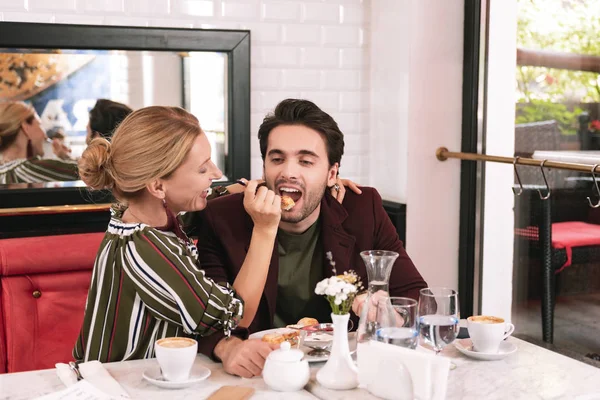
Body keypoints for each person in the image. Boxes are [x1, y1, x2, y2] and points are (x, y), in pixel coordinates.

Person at [193, 98, 427, 378]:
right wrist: (227, 347)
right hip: (263, 371)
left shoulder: (363, 208)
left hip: (342, 370)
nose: (288, 172)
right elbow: (202, 315)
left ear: (331, 174)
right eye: (277, 159)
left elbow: (413, 293)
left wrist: (384, 311)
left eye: (306, 161)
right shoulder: (224, 217)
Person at [73, 105, 282, 363]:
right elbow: (235, 315)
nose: (216, 174)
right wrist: (265, 229)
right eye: (203, 169)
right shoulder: (148, 250)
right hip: (122, 387)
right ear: (158, 186)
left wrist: (232, 190)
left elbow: (183, 210)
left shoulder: (134, 214)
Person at [0, 101, 78, 184]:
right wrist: (67, 157)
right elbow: (89, 173)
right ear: (26, 128)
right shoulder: (28, 169)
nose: (44, 135)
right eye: (39, 124)